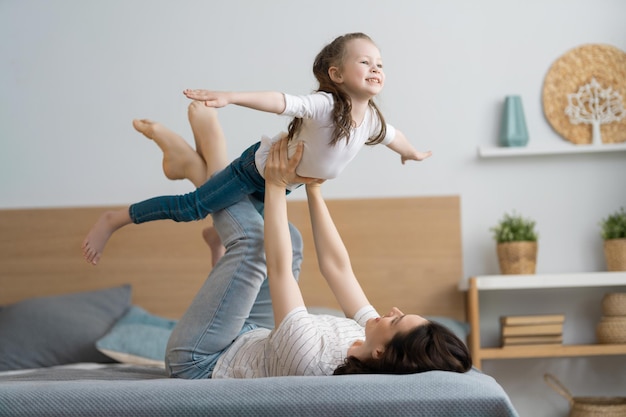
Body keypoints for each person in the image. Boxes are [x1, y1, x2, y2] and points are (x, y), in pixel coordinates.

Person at [150, 104, 470, 378]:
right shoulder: (367, 338)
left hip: (201, 361)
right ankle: (193, 169)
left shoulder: (310, 359)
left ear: (382, 352)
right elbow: (337, 268)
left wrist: (276, 185)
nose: (394, 309)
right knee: (293, 240)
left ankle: (206, 156)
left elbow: (280, 269)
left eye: (397, 319)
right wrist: (316, 188)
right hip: (255, 340)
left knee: (255, 243)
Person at [82, 32, 432, 265]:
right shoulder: (324, 105)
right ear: (337, 74)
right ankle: (115, 219)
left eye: (380, 64)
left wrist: (410, 152)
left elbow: (394, 136)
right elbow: (279, 101)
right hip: (254, 171)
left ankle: (211, 230)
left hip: (284, 186)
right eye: (365, 62)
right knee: (191, 208)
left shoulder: (371, 118)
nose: (375, 68)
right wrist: (230, 97)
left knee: (261, 232)